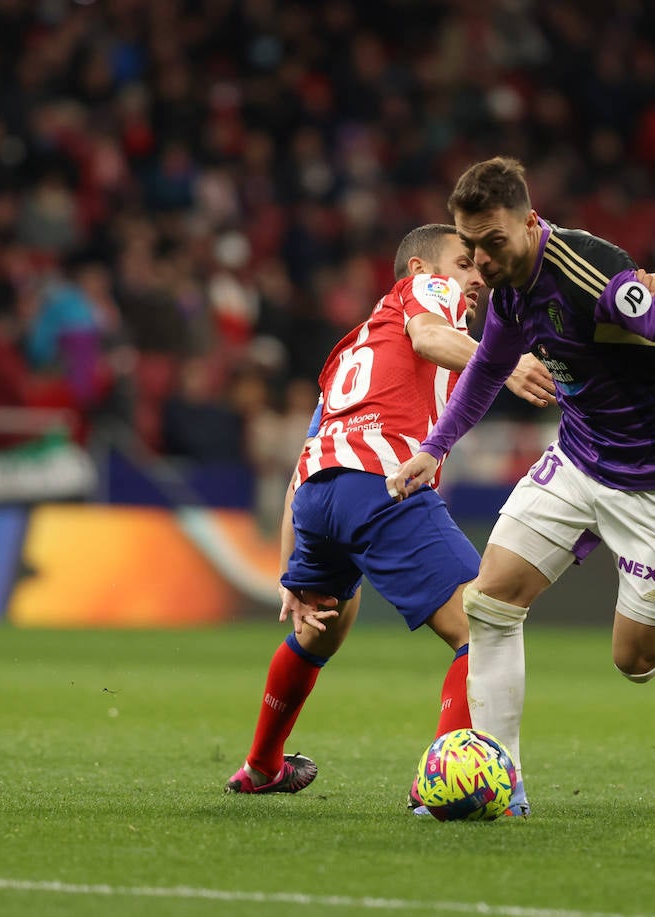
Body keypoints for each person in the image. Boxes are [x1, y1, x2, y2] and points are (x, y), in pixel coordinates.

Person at [387, 156, 655, 818]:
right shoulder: (507, 289)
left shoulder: (592, 274)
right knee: (489, 602)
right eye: (472, 248)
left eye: (494, 243)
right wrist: (433, 447)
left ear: (529, 221)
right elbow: (488, 369)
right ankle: (505, 782)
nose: (483, 262)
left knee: (634, 662)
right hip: (580, 458)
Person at [225, 223, 554, 796]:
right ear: (420, 270)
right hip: (380, 484)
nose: (476, 278)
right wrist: (508, 364)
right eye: (463, 263)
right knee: (484, 626)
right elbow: (429, 337)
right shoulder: (428, 293)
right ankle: (441, 784)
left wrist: (289, 573)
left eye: (480, 268)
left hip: (318, 496)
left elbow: (305, 458)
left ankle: (261, 766)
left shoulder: (350, 349)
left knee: (321, 630)